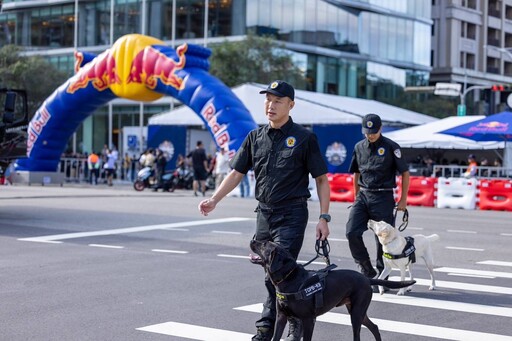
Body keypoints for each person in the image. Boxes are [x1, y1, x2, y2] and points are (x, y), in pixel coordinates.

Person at [198, 80, 331, 341]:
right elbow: (236, 173)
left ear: (291, 105)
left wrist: (324, 218)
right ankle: (276, 324)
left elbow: (322, 180)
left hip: (292, 214)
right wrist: (214, 200)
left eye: (278, 101)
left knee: (282, 273)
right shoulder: (255, 137)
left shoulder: (304, 138)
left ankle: (276, 327)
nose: (271, 105)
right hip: (264, 215)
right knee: (272, 274)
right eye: (268, 99)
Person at [345, 113, 410, 290]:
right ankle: (368, 271)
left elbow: (405, 173)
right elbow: (356, 172)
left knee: (383, 240)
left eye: (373, 131)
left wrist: (403, 199)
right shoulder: (359, 147)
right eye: (367, 132)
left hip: (383, 197)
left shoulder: (391, 147)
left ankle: (383, 277)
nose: (370, 135)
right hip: (363, 196)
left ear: (380, 128)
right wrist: (355, 195)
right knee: (351, 232)